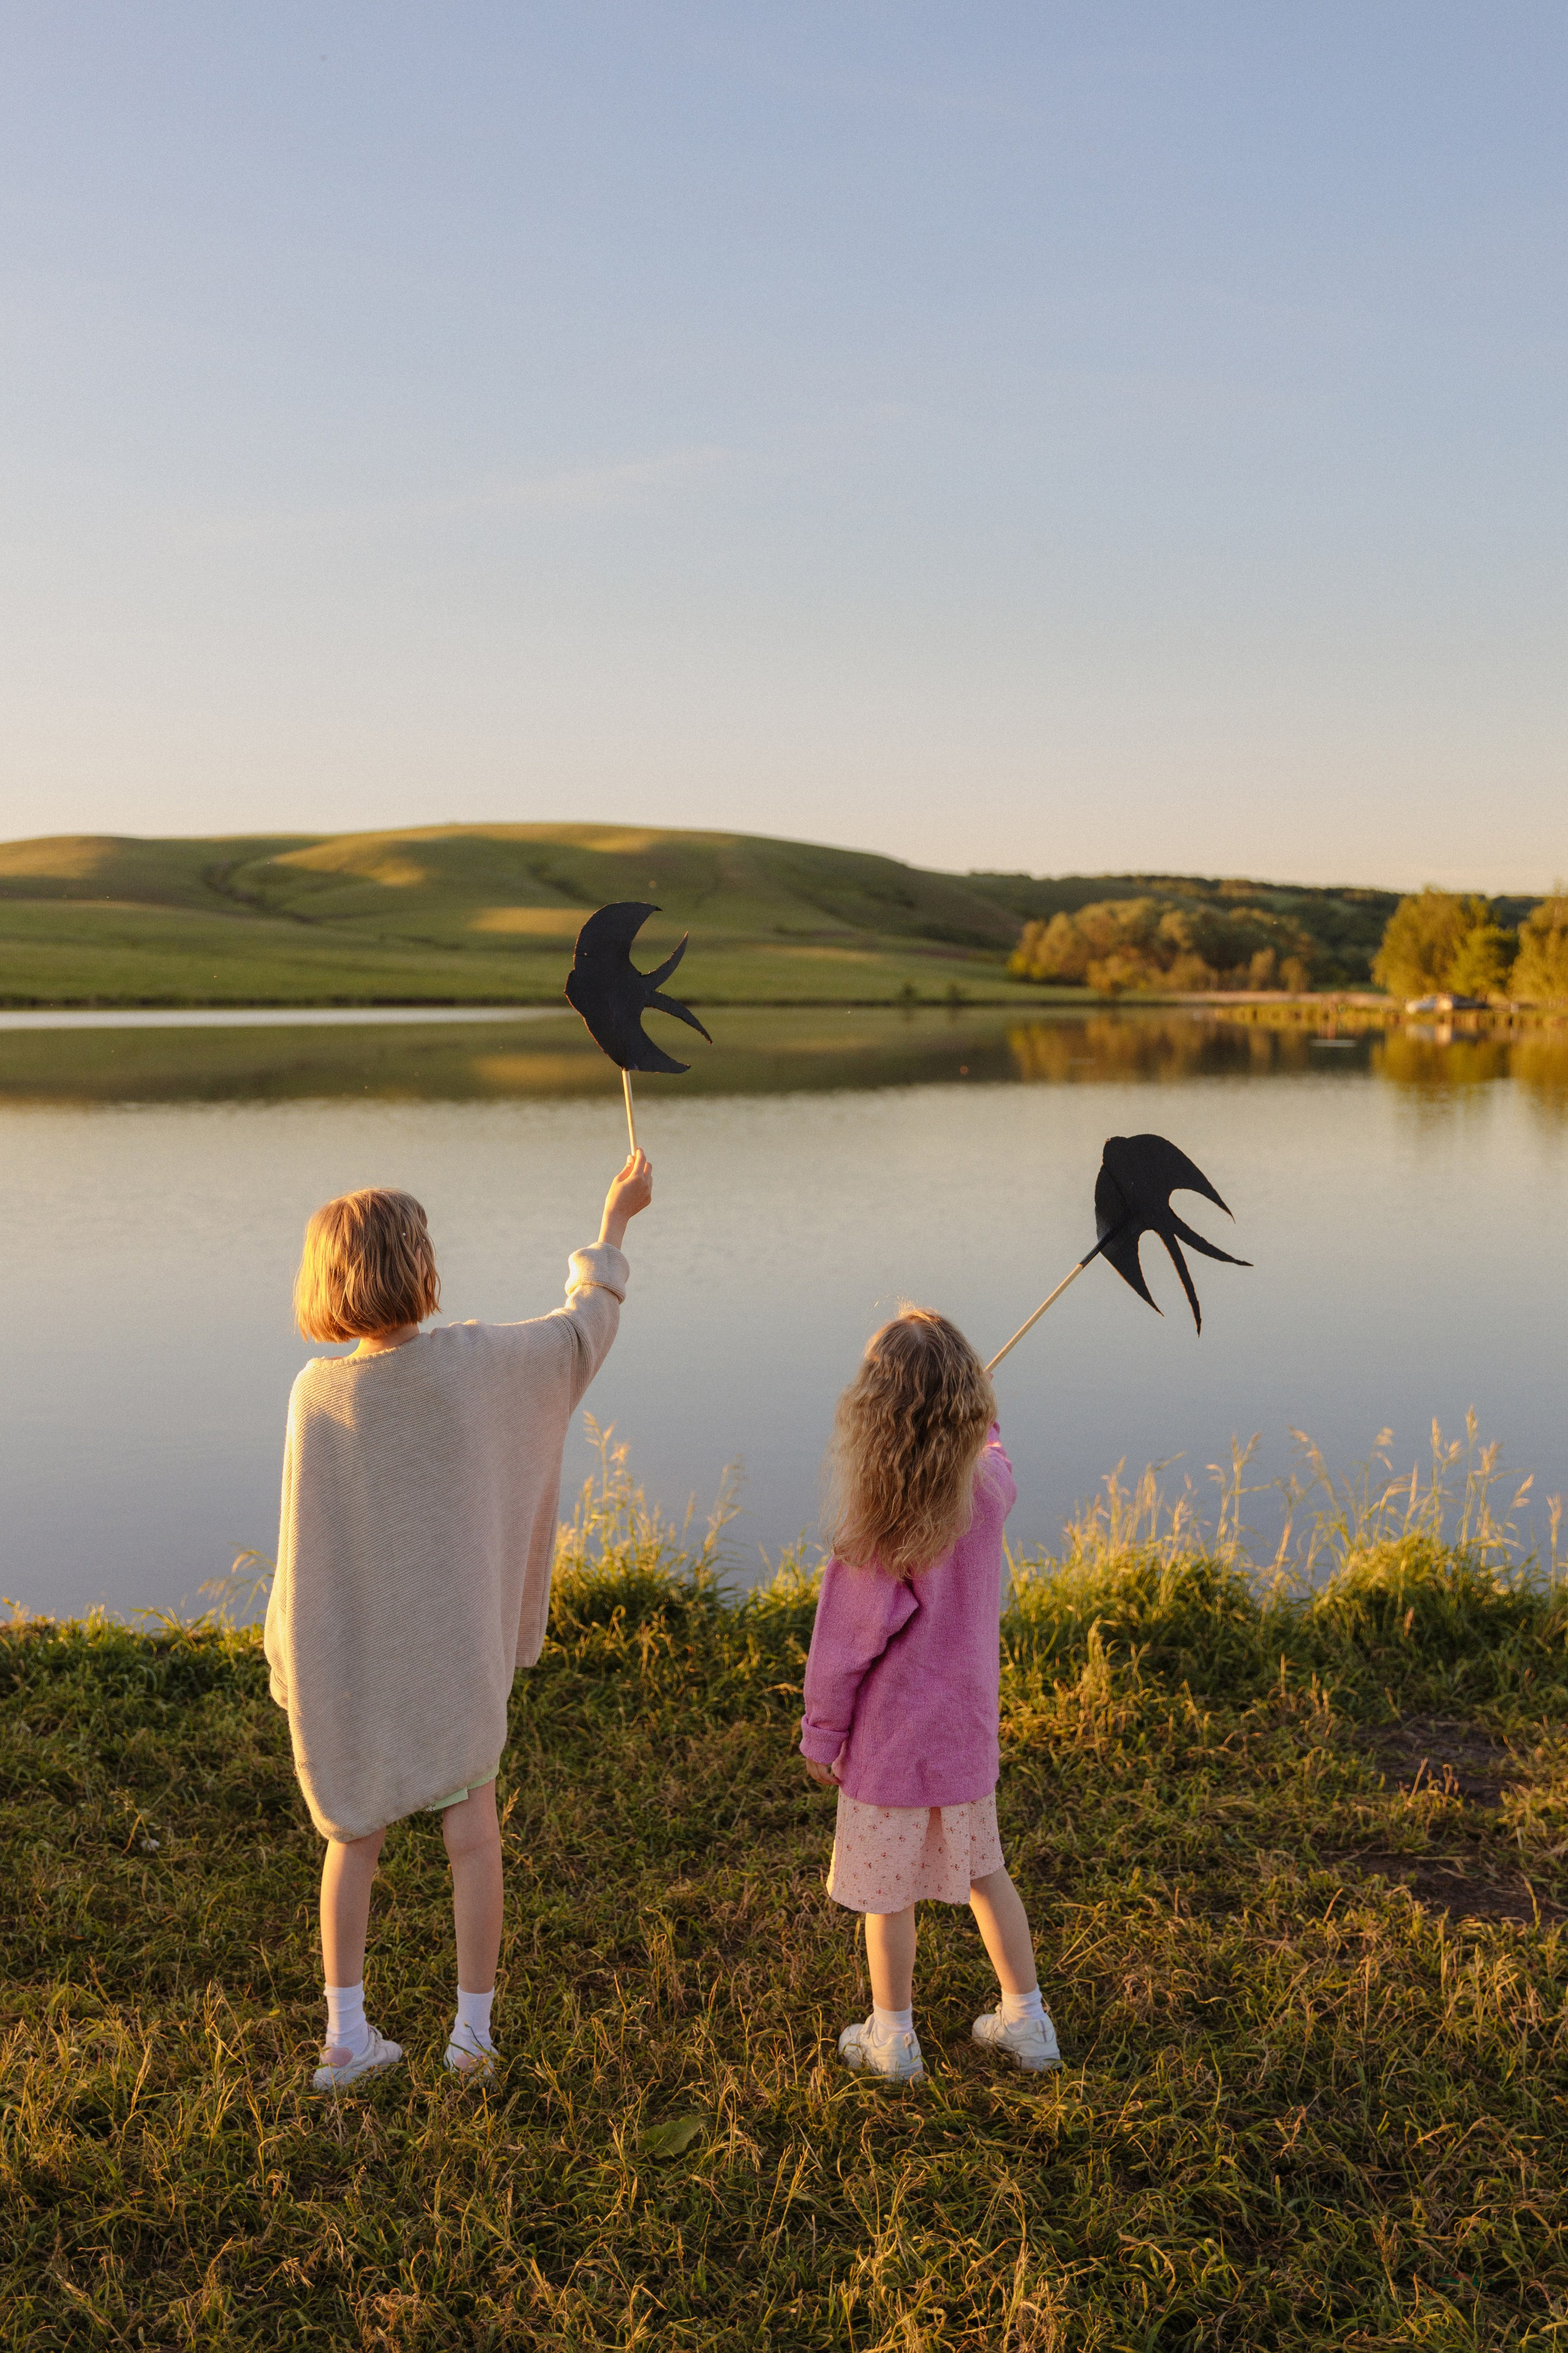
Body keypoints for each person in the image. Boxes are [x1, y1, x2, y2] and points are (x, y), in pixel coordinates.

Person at [264, 1150, 653, 2091]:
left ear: (323, 1283)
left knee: (350, 1835)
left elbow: (300, 1556)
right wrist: (613, 1224)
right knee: (472, 1835)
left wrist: (291, 1650)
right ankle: (470, 2038)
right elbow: (581, 1332)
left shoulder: (317, 1395)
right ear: (421, 1269)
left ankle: (345, 2037)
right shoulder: (479, 1365)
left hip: (357, 1661)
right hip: (453, 1653)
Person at [798, 1309, 1059, 2082]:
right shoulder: (988, 1487)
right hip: (964, 1734)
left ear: (874, 1415)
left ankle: (894, 2036)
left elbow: (843, 1652)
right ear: (969, 1411)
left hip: (892, 1745)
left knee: (887, 1895)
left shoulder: (878, 1523)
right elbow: (997, 1452)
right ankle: (1028, 2019)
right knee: (986, 1873)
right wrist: (988, 1419)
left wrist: (822, 1737)